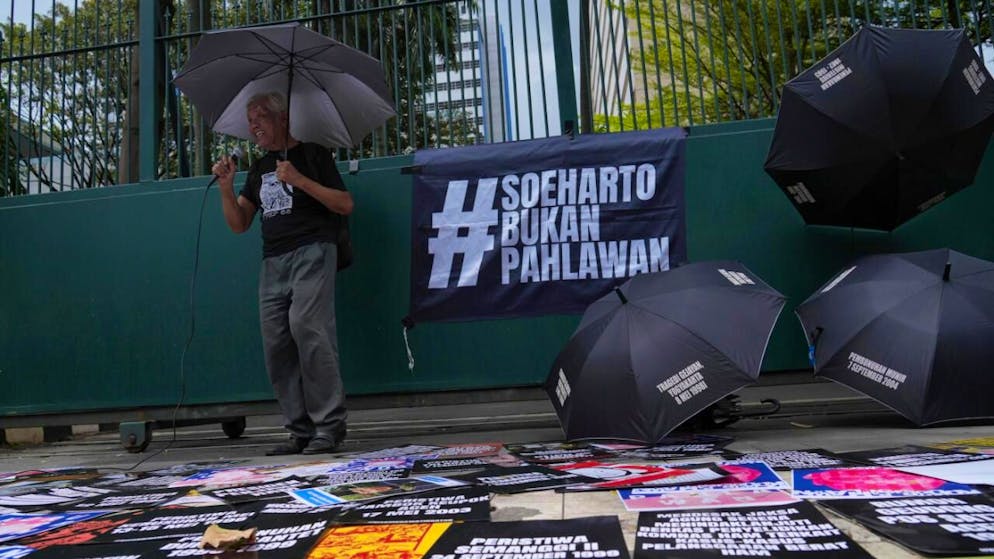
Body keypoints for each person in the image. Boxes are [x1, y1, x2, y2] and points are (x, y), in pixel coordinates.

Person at [211, 91, 352, 456]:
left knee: (307, 327)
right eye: (250, 120)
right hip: (273, 261)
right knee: (276, 342)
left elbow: (345, 204)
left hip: (313, 250)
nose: (253, 125)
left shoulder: (314, 154)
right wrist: (226, 189)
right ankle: (299, 430)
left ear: (283, 119)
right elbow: (239, 223)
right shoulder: (258, 169)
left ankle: (329, 426)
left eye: (260, 116)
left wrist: (299, 179)